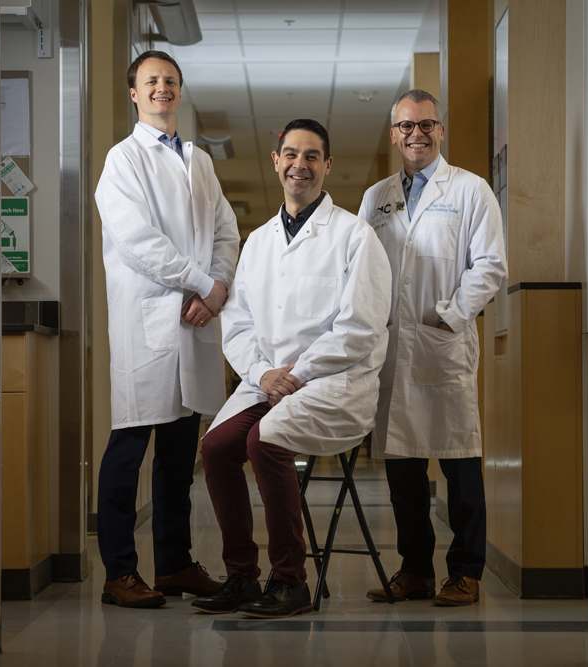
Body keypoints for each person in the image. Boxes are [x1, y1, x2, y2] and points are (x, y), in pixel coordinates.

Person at [191, 119, 392, 619]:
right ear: (276, 161)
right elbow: (236, 326)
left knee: (266, 439)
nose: (299, 165)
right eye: (291, 155)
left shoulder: (354, 236)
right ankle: (241, 576)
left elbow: (360, 328)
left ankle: (290, 581)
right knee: (215, 447)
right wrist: (262, 375)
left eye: (311, 156)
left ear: (326, 166)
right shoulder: (257, 242)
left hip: (335, 383)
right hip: (268, 383)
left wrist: (296, 375)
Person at [93, 51, 240, 608]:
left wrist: (217, 285)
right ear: (133, 92)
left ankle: (174, 564)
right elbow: (136, 241)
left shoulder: (198, 160)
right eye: (151, 81)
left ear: (181, 90)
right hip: (150, 320)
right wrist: (202, 283)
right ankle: (119, 572)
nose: (162, 89)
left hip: (196, 321)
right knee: (130, 447)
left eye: (170, 81)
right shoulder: (122, 160)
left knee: (180, 455)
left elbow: (226, 230)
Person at [358, 89, 507, 606]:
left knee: (459, 465)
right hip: (392, 351)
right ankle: (416, 569)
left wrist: (449, 317)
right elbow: (364, 272)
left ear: (440, 131)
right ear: (393, 132)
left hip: (442, 344)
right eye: (405, 126)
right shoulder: (376, 198)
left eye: (425, 125)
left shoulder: (470, 190)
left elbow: (489, 265)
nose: (415, 134)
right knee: (403, 472)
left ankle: (465, 571)